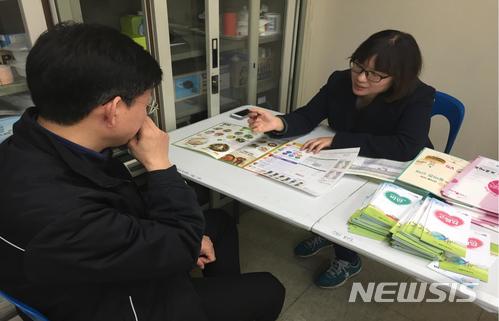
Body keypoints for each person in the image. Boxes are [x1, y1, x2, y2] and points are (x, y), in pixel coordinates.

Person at [0, 22, 284, 321]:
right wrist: (160, 165)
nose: (148, 115)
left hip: (90, 266)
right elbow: (176, 243)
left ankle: (217, 297)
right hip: (121, 303)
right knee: (269, 288)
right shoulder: (61, 215)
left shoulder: (29, 146)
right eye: (147, 104)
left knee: (219, 224)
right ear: (114, 110)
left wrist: (183, 239)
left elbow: (117, 210)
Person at [248, 29, 435, 288]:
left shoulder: (418, 95)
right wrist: (278, 122)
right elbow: (308, 115)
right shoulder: (339, 80)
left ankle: (347, 258)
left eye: (374, 74)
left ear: (399, 77)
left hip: (393, 166)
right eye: (358, 66)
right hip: (348, 160)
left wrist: (339, 141)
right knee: (318, 190)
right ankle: (328, 235)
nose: (360, 78)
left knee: (349, 207)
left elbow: (406, 146)